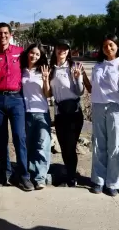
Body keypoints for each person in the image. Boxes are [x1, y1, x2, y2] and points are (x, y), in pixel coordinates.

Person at [0, 22, 34, 191]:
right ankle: (6, 173)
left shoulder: (19, 52)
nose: (2, 36)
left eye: (5, 33)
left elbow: (33, 65)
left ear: (10, 35)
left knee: (19, 137)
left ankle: (24, 176)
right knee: (1, 140)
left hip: (16, 99)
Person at [82, 34, 119, 196]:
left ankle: (113, 183)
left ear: (117, 46)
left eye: (111, 45)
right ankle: (98, 180)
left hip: (116, 108)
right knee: (98, 144)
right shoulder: (98, 66)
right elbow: (92, 89)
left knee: (115, 145)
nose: (108, 48)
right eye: (105, 46)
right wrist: (82, 76)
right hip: (98, 106)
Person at [47, 40, 85, 187]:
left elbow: (80, 91)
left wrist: (77, 79)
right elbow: (49, 92)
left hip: (73, 113)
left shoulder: (74, 67)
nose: (62, 51)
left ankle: (71, 177)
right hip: (59, 112)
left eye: (65, 49)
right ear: (55, 50)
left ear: (68, 51)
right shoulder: (51, 69)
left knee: (70, 146)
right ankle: (69, 173)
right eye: (59, 48)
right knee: (63, 146)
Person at [20, 43, 51, 190]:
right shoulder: (21, 70)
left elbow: (48, 94)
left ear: (41, 57)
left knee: (42, 145)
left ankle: (40, 178)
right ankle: (30, 175)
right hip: (25, 113)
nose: (34, 56)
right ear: (28, 53)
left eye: (37, 54)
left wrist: (45, 80)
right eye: (32, 53)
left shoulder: (43, 70)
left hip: (42, 112)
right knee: (28, 146)